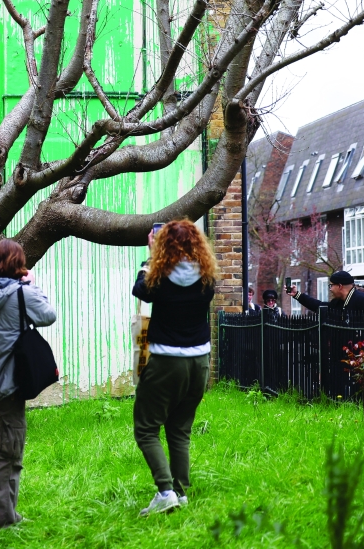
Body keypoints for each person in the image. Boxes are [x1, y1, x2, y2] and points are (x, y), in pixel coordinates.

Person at [0, 239, 56, 533]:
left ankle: (7, 514)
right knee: (6, 453)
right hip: (8, 387)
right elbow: (48, 315)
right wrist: (31, 284)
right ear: (19, 265)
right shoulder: (20, 294)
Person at [131, 219, 216, 517]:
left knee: (146, 428)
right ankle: (181, 493)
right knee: (180, 429)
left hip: (167, 360)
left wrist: (151, 256)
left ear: (163, 244)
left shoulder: (159, 278)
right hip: (200, 362)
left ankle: (165, 491)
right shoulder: (207, 279)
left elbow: (139, 288)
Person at [286, 270, 364, 322]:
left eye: (331, 285)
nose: (330, 289)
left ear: (340, 286)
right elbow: (318, 306)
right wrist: (297, 294)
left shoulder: (362, 300)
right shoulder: (338, 302)